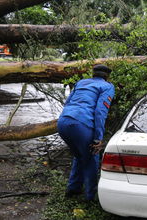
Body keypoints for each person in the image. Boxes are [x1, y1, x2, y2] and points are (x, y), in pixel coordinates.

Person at [57, 64, 115, 201]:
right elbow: (100, 112)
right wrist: (98, 138)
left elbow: (67, 103)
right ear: (107, 76)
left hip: (63, 122)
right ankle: (91, 197)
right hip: (81, 124)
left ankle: (73, 189)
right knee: (91, 157)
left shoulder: (81, 82)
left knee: (79, 154)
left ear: (93, 73)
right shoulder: (108, 87)